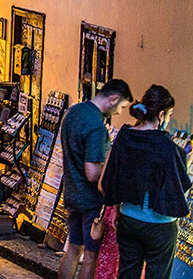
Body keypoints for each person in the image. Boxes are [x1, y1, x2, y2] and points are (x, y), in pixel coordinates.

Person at [100, 85, 191, 279]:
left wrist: (117, 210)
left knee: (127, 273)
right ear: (161, 115)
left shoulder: (125, 138)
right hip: (160, 226)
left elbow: (113, 178)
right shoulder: (168, 148)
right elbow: (178, 188)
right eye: (169, 115)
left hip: (128, 219)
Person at [58, 79, 133, 279]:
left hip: (72, 193)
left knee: (73, 249)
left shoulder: (73, 113)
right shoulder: (96, 127)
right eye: (121, 107)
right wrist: (115, 173)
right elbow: (92, 172)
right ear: (113, 99)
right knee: (91, 255)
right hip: (91, 200)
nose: (118, 112)